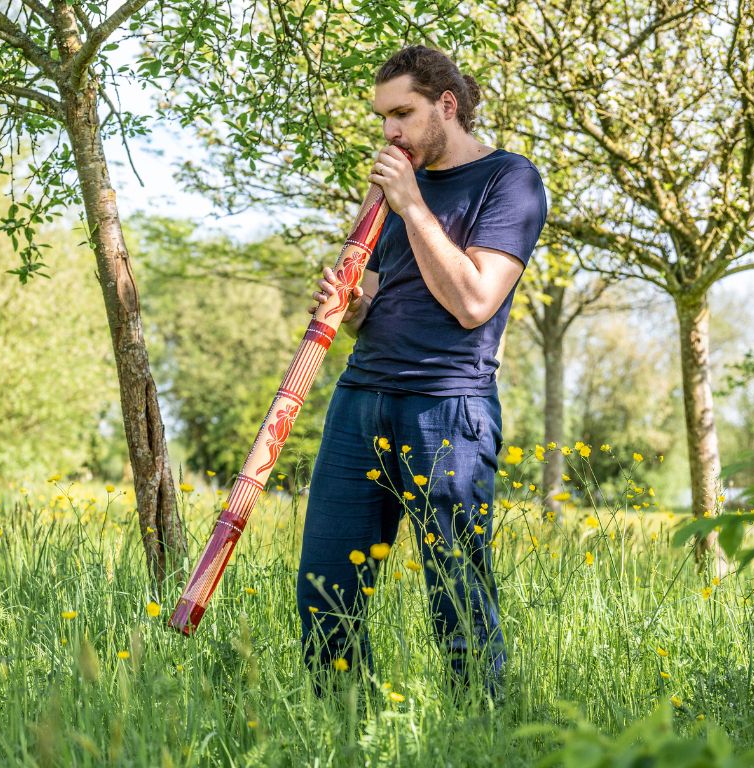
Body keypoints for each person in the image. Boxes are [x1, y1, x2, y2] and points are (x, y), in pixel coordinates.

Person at [297, 45, 548, 699]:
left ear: (447, 104)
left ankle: (478, 736)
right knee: (325, 597)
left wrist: (412, 206)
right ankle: (337, 734)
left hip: (447, 407)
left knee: (459, 603)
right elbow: (377, 296)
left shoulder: (509, 180)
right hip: (360, 399)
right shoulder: (389, 194)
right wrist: (349, 307)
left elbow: (473, 301)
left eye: (402, 113)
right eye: (383, 118)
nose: (390, 132)